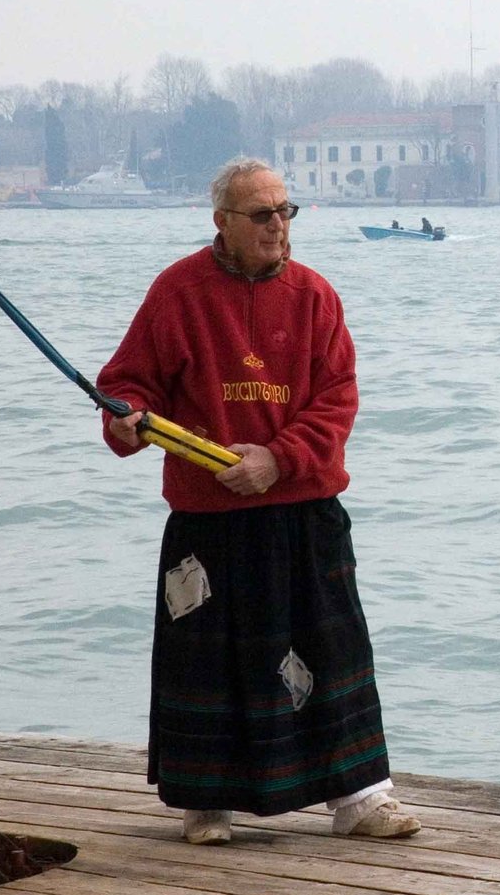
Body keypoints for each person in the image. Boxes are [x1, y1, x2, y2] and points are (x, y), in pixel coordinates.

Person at [99, 158, 422, 846]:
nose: (279, 224)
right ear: (222, 222)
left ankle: (361, 797)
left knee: (333, 648)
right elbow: (127, 386)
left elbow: (337, 400)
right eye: (262, 214)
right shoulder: (176, 292)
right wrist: (125, 420)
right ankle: (205, 802)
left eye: (285, 210)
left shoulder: (316, 296)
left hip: (303, 508)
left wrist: (276, 458)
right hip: (208, 517)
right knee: (206, 662)